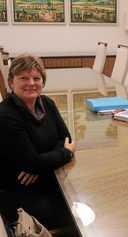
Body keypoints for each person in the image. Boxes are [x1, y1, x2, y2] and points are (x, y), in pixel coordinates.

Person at [0, 55, 77, 232]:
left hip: (46, 179)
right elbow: (32, 162)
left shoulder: (47, 103)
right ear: (11, 83)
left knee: (81, 201)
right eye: (23, 78)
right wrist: (66, 153)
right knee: (73, 216)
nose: (31, 83)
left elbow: (65, 138)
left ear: (43, 81)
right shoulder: (6, 115)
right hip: (19, 190)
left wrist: (38, 166)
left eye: (36, 78)